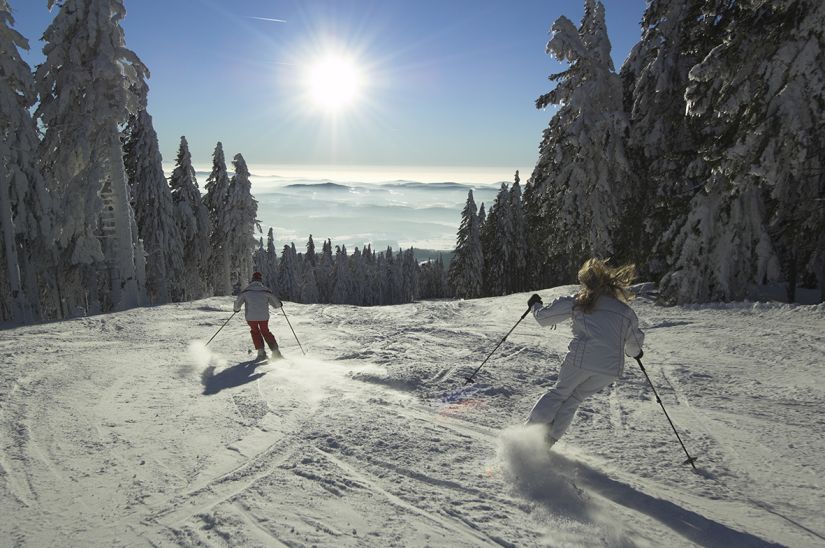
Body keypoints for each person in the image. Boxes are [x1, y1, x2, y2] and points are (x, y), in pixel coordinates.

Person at [525, 258, 644, 448]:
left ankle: (526, 438)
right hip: (610, 369)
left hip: (582, 359)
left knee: (559, 394)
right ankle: (549, 440)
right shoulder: (625, 312)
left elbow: (545, 318)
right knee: (574, 398)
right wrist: (636, 353)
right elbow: (634, 347)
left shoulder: (579, 301)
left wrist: (535, 305)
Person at [234, 271, 283, 360]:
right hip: (263, 317)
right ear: (260, 280)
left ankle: (261, 352)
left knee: (255, 331)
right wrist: (279, 304)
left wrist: (236, 309)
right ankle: (276, 352)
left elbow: (238, 302)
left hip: (251, 317)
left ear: (252, 280)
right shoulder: (265, 291)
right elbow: (276, 304)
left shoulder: (246, 291)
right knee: (265, 332)